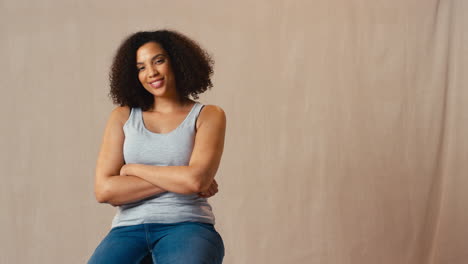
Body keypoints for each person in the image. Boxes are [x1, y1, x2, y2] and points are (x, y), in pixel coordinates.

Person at [88, 29, 226, 264]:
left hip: (187, 225)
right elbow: (105, 190)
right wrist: (182, 178)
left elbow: (195, 181)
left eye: (158, 61)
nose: (151, 72)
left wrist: (132, 169)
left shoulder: (208, 115)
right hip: (127, 230)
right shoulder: (122, 116)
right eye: (141, 67)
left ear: (177, 61)